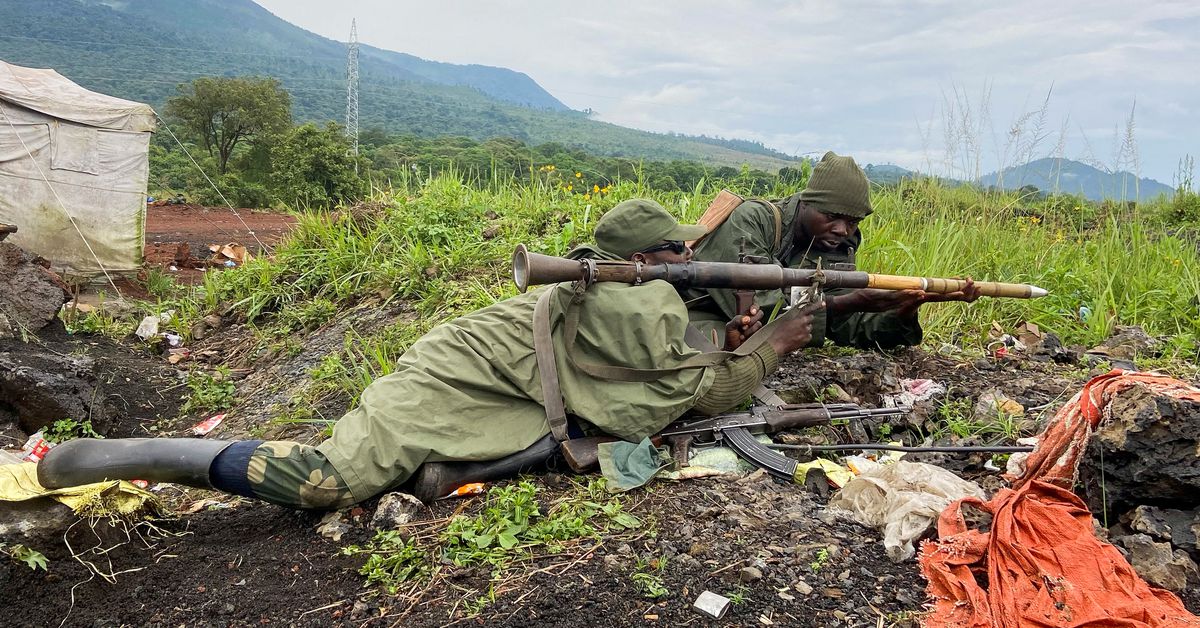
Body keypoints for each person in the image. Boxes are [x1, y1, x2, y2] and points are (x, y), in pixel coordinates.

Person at [38, 199, 818, 509]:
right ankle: (148, 454)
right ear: (645, 260)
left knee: (464, 464)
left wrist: (730, 343)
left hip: (500, 387)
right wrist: (773, 348)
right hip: (452, 376)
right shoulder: (628, 298)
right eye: (675, 256)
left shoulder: (627, 295)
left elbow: (665, 363)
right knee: (326, 482)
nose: (687, 267)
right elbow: (695, 394)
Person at [684, 151, 980, 350]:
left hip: (748, 333)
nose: (842, 230)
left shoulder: (839, 243)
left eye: (852, 221)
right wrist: (847, 302)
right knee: (713, 350)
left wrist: (904, 309)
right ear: (806, 202)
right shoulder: (755, 220)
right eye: (831, 216)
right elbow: (760, 316)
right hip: (692, 316)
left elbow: (846, 327)